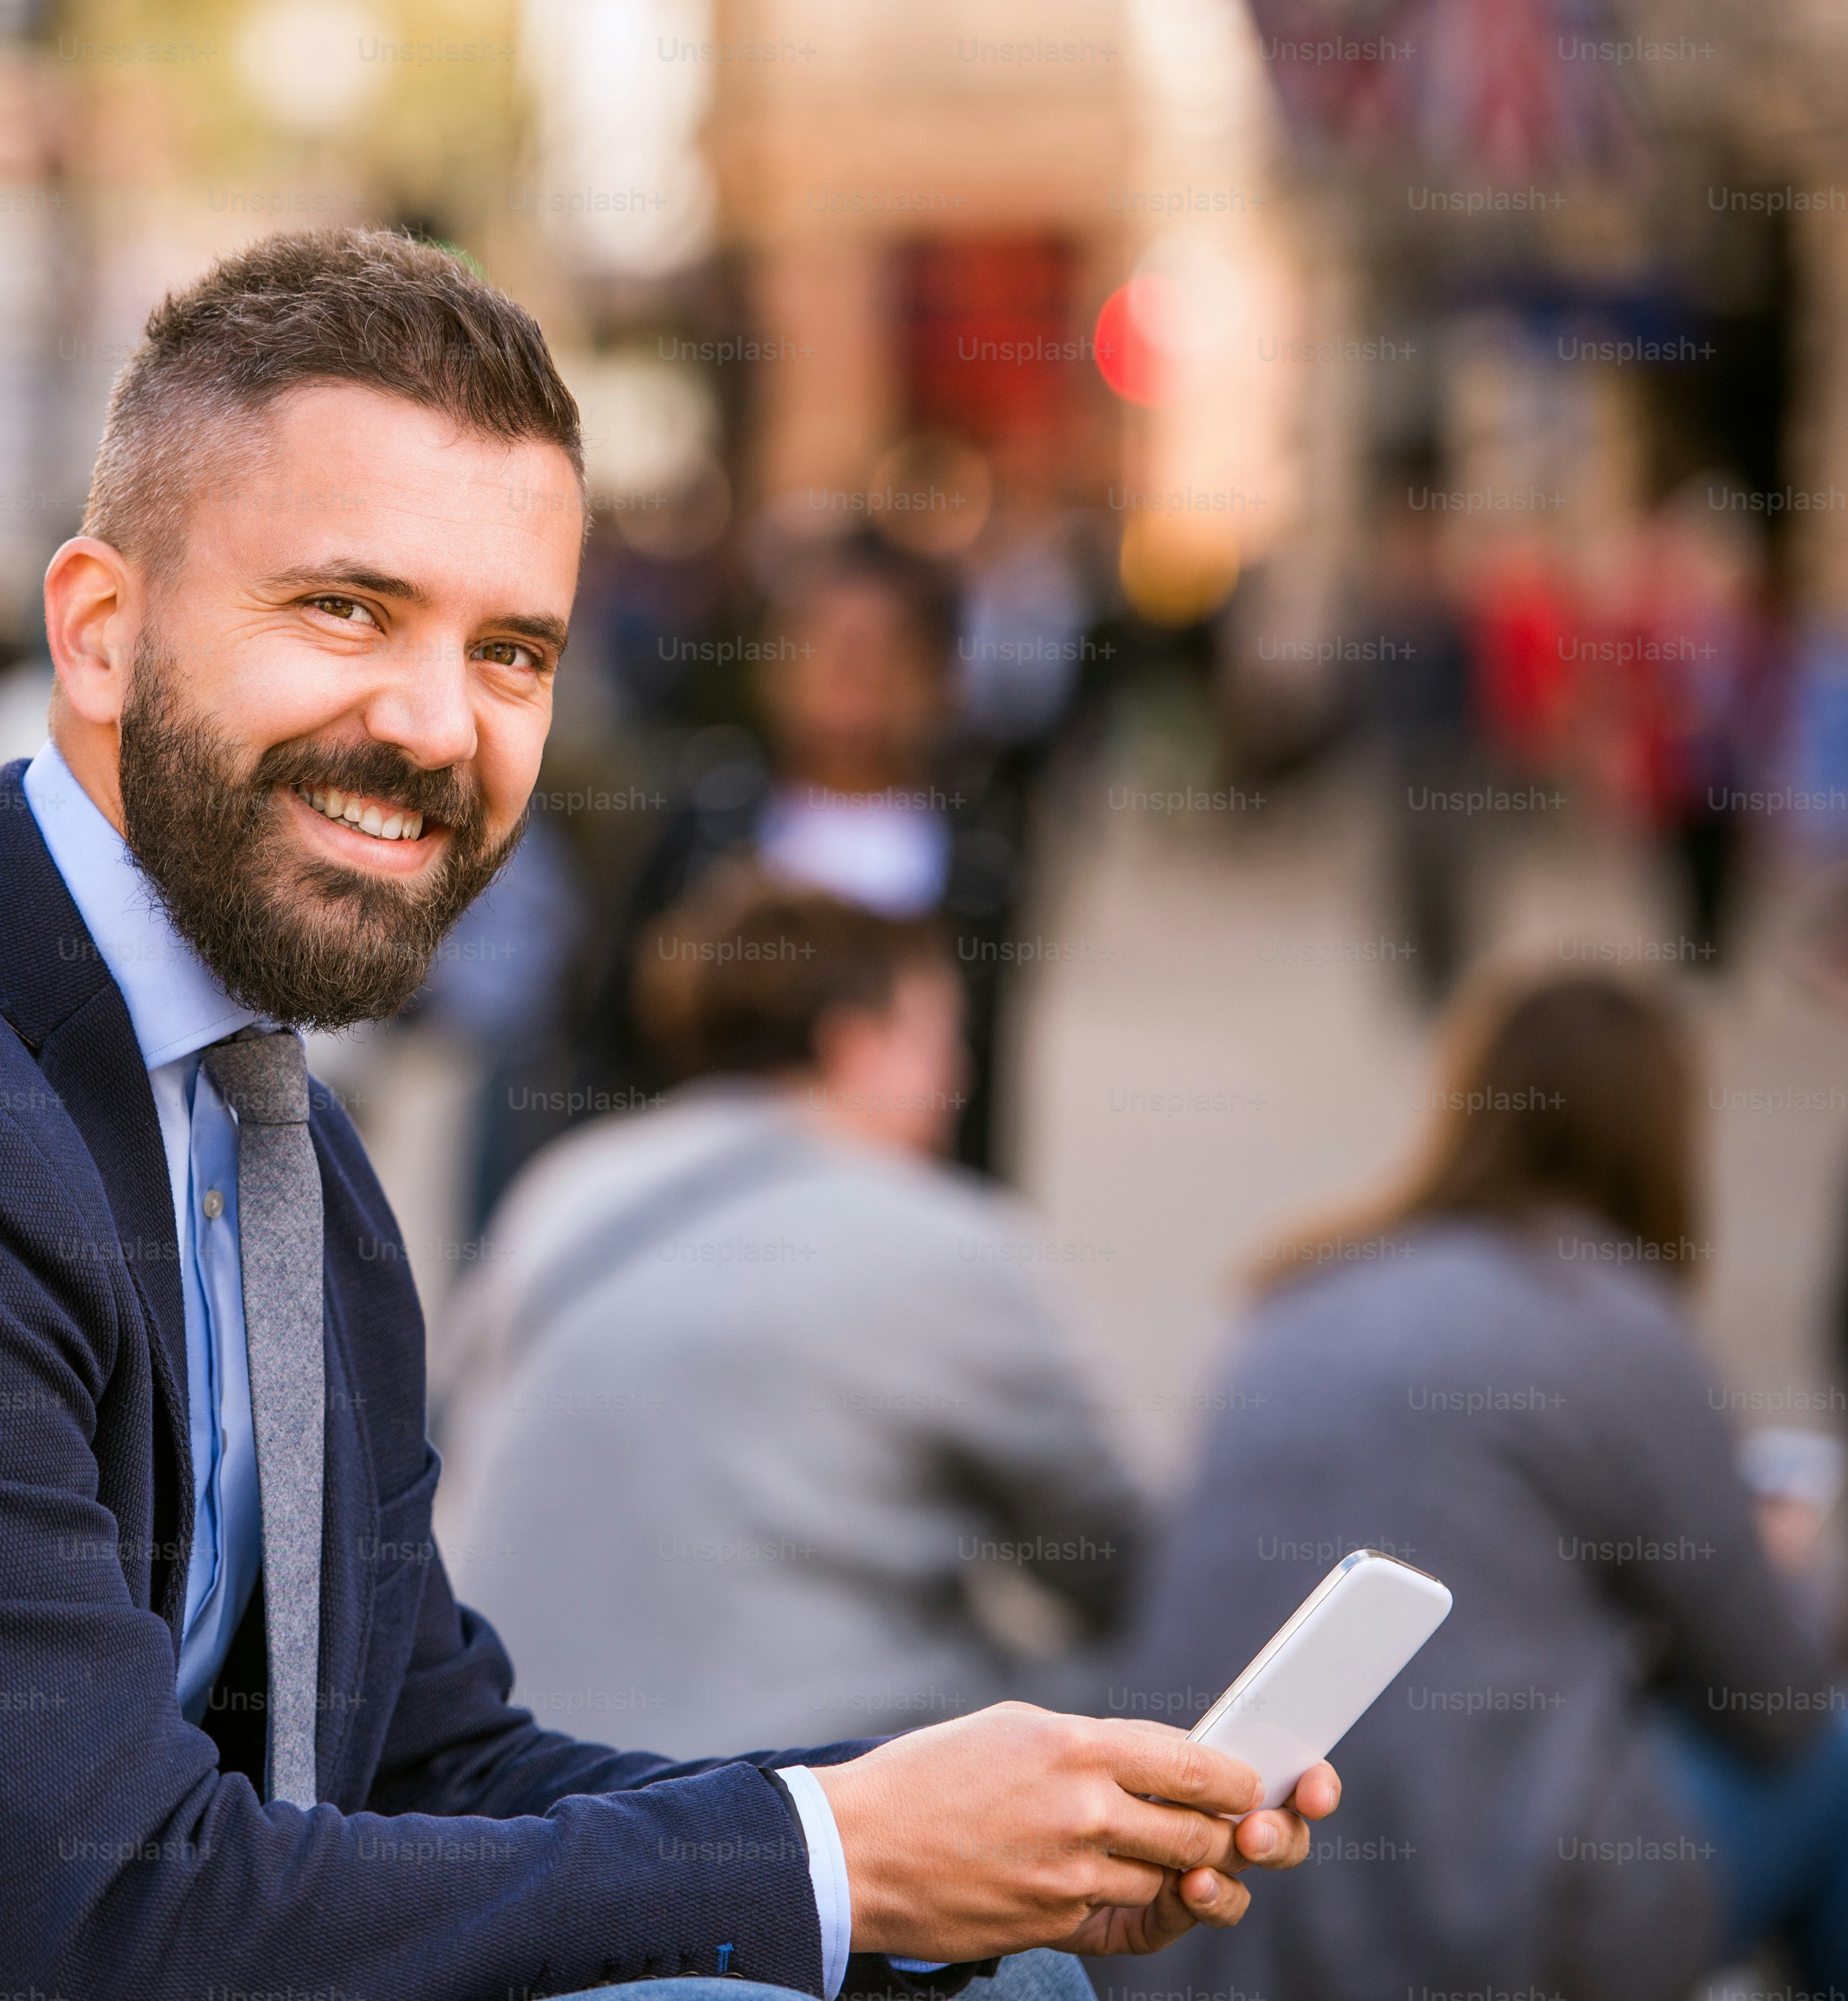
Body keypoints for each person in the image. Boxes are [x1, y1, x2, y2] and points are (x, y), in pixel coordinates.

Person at [0, 230, 1333, 2001]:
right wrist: (834, 1860)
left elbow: (417, 1760)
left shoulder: (269, 1138)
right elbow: (126, 1919)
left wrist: (949, 1839)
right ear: (97, 634)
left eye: (511, 649)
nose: (436, 727)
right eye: (345, 612)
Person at [1102, 973, 1846, 2001]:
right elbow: (1775, 1696)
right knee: (1837, 1756)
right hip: (1487, 1923)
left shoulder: (1302, 1289)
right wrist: (1775, 1566)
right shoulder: (1614, 1320)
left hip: (1206, 1912)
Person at [435, 869, 1143, 1751]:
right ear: (855, 1043)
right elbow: (1119, 1563)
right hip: (787, 1788)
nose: (958, 1078)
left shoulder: (565, 1191)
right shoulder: (938, 1237)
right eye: (938, 1039)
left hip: (517, 1766)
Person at [586, 534, 1032, 1179]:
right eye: (823, 642)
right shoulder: (704, 821)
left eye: (882, 649)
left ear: (937, 676)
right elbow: (605, 1035)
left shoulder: (975, 863)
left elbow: (982, 1079)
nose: (852, 673)